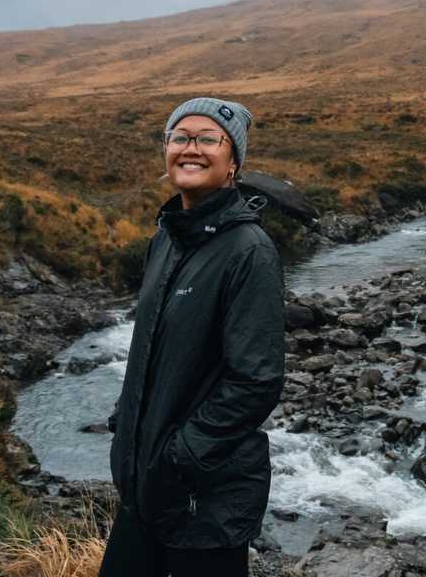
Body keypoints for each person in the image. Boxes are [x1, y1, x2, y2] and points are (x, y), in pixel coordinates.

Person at [103, 97, 284, 577]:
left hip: (204, 499)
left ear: (233, 163)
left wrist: (178, 460)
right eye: (180, 137)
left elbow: (256, 381)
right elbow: (150, 352)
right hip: (146, 486)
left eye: (209, 139)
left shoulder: (250, 252)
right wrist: (128, 427)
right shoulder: (165, 238)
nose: (191, 148)